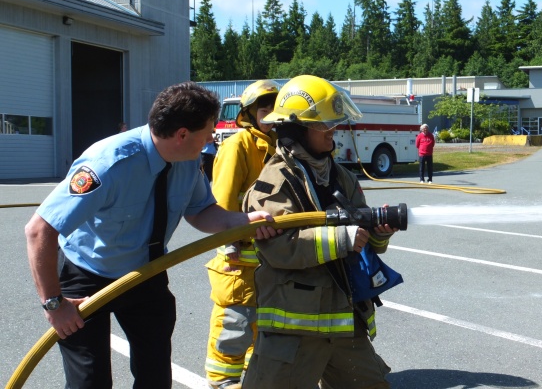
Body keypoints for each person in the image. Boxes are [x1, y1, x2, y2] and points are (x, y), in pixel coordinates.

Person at [24, 81, 280, 389]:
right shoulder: (109, 163)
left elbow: (201, 211)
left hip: (145, 272)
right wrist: (55, 304)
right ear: (182, 134)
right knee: (89, 382)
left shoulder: (186, 160)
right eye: (209, 130)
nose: (213, 137)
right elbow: (39, 230)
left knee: (155, 377)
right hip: (87, 275)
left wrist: (243, 220)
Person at [241, 75, 397, 389]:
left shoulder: (341, 177)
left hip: (343, 322)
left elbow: (364, 243)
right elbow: (278, 247)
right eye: (323, 124)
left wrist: (379, 233)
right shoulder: (274, 184)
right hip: (294, 329)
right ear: (297, 129)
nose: (333, 131)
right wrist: (341, 239)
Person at [204, 79, 279, 389]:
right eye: (265, 110)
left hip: (268, 257)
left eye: (277, 109)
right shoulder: (239, 145)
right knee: (234, 325)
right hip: (239, 257)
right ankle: (222, 382)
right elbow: (221, 200)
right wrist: (228, 244)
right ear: (249, 114)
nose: (272, 115)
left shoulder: (279, 146)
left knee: (261, 328)